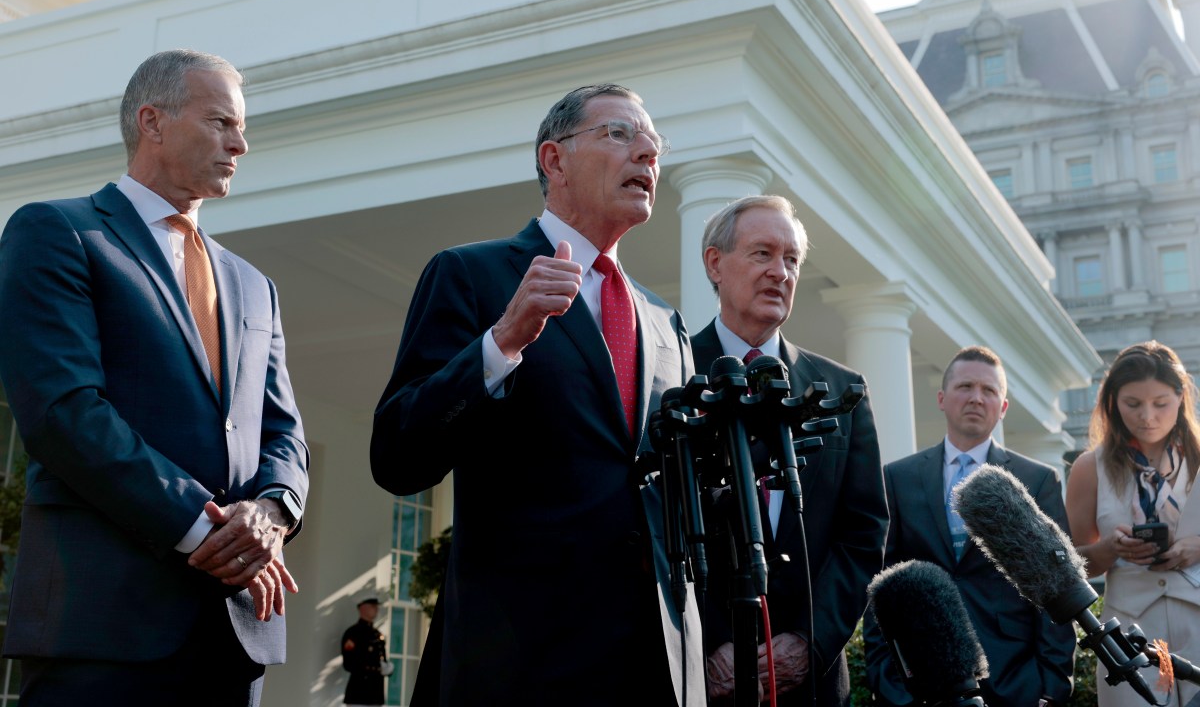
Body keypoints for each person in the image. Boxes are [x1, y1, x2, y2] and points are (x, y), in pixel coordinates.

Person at [371, 84, 703, 706]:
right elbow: (397, 453)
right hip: (519, 656)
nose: (647, 156)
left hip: (653, 662)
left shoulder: (665, 322)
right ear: (554, 160)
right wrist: (500, 344)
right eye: (620, 134)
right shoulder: (472, 274)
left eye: (654, 145)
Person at [0, 49, 309, 706]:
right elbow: (64, 413)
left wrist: (268, 514)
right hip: (103, 629)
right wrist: (207, 533)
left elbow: (284, 437)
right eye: (223, 122)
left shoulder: (256, 288)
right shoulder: (58, 233)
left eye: (242, 127)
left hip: (234, 639)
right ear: (152, 121)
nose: (241, 143)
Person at [692, 195, 888, 705]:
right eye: (762, 254)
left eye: (792, 260)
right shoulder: (669, 374)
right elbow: (645, 527)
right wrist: (707, 644)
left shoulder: (842, 390)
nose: (780, 272)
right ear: (715, 262)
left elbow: (864, 533)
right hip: (695, 673)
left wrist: (808, 640)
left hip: (813, 684)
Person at [863, 346, 1075, 707]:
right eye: (965, 387)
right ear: (942, 399)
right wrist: (888, 682)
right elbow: (881, 587)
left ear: (1003, 407)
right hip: (924, 684)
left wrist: (1051, 688)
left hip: (1014, 680)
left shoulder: (1037, 480)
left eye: (990, 391)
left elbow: (1056, 587)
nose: (977, 398)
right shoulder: (897, 478)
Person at [1065, 341, 1200, 707]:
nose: (1148, 417)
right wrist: (1109, 550)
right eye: (1133, 404)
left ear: (1180, 397)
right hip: (1129, 636)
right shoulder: (1089, 468)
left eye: (1161, 404)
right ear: (1112, 402)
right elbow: (1074, 566)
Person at [342, 597, 393, 706]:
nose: (376, 609)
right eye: (372, 606)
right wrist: (371, 666)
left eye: (376, 606)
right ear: (362, 607)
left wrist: (386, 667)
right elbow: (348, 664)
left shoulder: (377, 634)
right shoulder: (353, 633)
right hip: (358, 692)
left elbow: (381, 658)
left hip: (376, 694)